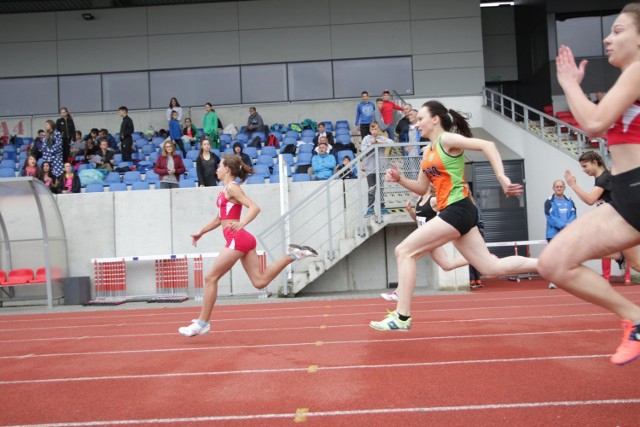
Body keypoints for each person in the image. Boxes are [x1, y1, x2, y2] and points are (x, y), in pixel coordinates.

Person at [370, 100, 537, 332]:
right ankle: (549, 264)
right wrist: (400, 180)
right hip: (457, 212)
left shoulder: (446, 140)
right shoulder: (427, 151)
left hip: (458, 208)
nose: (416, 123)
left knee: (404, 251)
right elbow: (420, 187)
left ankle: (402, 316)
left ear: (435, 119)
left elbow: (488, 145)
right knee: (489, 268)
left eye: (420, 119)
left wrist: (501, 177)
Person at [538, 3, 640, 366]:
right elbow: (594, 122)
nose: (607, 38)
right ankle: (637, 320)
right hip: (627, 194)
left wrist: (568, 84)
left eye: (617, 30)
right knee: (553, 263)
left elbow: (594, 123)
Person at [178, 155, 318, 337]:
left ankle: (202, 323)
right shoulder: (225, 190)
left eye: (219, 166)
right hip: (242, 240)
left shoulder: (232, 188)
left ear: (227, 169)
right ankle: (294, 255)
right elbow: (220, 218)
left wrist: (242, 223)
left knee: (210, 278)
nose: (217, 169)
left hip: (237, 238)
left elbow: (254, 207)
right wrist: (201, 232)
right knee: (259, 282)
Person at [381, 182, 469, 301]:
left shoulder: (433, 200)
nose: (414, 189)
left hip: (430, 238)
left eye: (417, 186)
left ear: (426, 187)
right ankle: (477, 259)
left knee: (406, 257)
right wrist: (410, 211)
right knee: (447, 265)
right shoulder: (419, 200)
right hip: (424, 239)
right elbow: (417, 221)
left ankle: (399, 292)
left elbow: (449, 205)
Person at [563, 151, 632, 283]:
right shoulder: (602, 178)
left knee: (635, 263)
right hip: (612, 221)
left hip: (618, 221)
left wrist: (573, 185)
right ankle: (619, 256)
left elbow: (590, 200)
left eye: (585, 166)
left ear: (595, 162)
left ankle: (619, 256)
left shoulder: (604, 178)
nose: (583, 170)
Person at [544, 179, 577, 289]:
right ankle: (553, 281)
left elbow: (573, 215)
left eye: (561, 186)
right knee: (554, 258)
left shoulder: (570, 201)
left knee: (567, 257)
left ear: (564, 188)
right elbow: (550, 217)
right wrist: (563, 225)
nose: (559, 188)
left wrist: (568, 225)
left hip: (567, 234)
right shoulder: (548, 202)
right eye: (557, 187)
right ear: (553, 188)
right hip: (553, 235)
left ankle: (566, 280)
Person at [360, 121, 393, 216]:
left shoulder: (382, 138)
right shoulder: (367, 139)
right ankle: (370, 208)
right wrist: (371, 144)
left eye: (376, 129)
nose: (374, 131)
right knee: (371, 189)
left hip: (380, 168)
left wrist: (379, 142)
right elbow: (363, 150)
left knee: (381, 188)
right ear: (370, 130)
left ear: (379, 129)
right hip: (370, 168)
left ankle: (383, 207)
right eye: (372, 129)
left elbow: (391, 142)